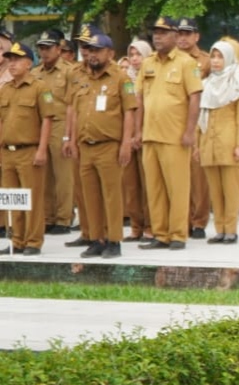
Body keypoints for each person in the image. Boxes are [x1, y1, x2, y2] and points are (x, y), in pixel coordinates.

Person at [62, 28, 137, 258]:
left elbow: (130, 112)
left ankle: (114, 240)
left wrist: (126, 143)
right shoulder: (81, 78)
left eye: (98, 50)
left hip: (109, 145)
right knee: (89, 195)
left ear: (110, 53)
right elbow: (74, 111)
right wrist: (71, 139)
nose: (92, 54)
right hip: (86, 146)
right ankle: (96, 238)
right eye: (90, 50)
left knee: (112, 195)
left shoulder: (120, 78)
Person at [136, 16, 203, 250]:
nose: (158, 36)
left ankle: (177, 234)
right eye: (155, 32)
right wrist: (137, 131)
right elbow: (139, 99)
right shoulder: (148, 63)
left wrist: (189, 131)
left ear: (175, 36)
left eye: (163, 32)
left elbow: (195, 97)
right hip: (150, 135)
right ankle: (160, 233)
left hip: (175, 136)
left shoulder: (186, 63)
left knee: (178, 188)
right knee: (154, 189)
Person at [0, 43, 58, 254]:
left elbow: (47, 119)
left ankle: (33, 241)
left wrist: (42, 150)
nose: (11, 64)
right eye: (10, 59)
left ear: (28, 63)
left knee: (31, 198)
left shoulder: (39, 87)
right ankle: (17, 240)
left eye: (16, 59)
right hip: (8, 152)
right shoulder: (5, 89)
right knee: (12, 198)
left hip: (29, 150)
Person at [196, 38, 239, 245]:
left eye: (220, 57)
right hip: (208, 142)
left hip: (229, 143)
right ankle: (219, 229)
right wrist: (198, 144)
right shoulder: (206, 84)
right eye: (213, 56)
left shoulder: (237, 84)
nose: (216, 61)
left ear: (229, 59)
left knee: (231, 188)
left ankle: (231, 229)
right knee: (215, 190)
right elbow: (201, 117)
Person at [33, 29, 78, 238]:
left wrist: (69, 135)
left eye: (48, 48)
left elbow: (73, 104)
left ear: (59, 49)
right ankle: (48, 217)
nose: (44, 52)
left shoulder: (69, 71)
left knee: (63, 175)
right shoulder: (35, 73)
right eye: (41, 48)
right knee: (45, 175)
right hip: (43, 125)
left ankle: (64, 217)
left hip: (61, 123)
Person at [175, 17, 212, 239]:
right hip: (174, 122)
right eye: (179, 34)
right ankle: (183, 220)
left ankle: (199, 221)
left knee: (198, 177)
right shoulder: (172, 61)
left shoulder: (205, 61)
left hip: (198, 122)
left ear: (196, 36)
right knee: (179, 176)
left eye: (187, 34)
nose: (183, 38)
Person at [120, 39, 153, 242]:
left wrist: (139, 133)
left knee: (149, 185)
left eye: (138, 54)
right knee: (130, 186)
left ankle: (151, 225)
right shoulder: (124, 80)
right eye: (131, 55)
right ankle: (136, 226)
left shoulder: (152, 77)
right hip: (127, 138)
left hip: (148, 136)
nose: (134, 59)